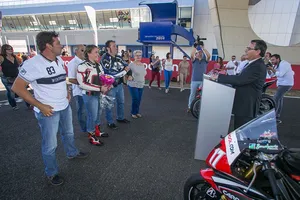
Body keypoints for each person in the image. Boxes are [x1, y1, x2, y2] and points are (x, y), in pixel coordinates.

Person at [12, 31, 88, 186]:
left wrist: (67, 92)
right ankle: (51, 172)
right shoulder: (33, 64)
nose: (61, 46)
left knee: (68, 133)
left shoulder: (59, 59)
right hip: (48, 111)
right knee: (50, 144)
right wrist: (40, 106)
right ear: (48, 46)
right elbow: (17, 88)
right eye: (58, 43)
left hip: (64, 106)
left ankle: (72, 152)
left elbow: (62, 79)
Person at [210, 39, 267, 129]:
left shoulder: (258, 66)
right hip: (242, 105)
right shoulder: (251, 64)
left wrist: (219, 77)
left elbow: (241, 79)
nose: (246, 50)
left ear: (257, 52)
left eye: (249, 48)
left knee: (242, 134)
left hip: (247, 107)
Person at [77, 45, 110, 146]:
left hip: (98, 94)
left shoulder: (98, 65)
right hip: (89, 95)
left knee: (98, 114)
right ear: (88, 53)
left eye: (98, 52)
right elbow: (81, 84)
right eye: (96, 52)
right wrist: (100, 88)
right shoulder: (82, 66)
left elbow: (102, 78)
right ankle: (91, 136)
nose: (98, 54)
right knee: (92, 116)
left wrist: (107, 84)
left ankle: (97, 131)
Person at [100, 40, 131, 130]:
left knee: (121, 102)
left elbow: (127, 66)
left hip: (119, 85)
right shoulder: (105, 58)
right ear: (108, 48)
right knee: (109, 104)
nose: (116, 48)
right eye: (114, 46)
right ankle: (110, 122)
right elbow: (110, 75)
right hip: (110, 86)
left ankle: (120, 118)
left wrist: (129, 74)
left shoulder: (118, 57)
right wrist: (124, 71)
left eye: (116, 46)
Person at [67, 45, 88, 135]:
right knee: (82, 111)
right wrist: (86, 83)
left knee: (89, 110)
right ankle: (85, 129)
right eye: (82, 50)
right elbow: (70, 79)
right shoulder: (73, 63)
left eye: (85, 50)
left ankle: (90, 127)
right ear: (76, 51)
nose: (84, 52)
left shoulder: (85, 62)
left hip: (88, 90)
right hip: (79, 92)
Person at [268, 54, 294, 123]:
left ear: (278, 59)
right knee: (279, 99)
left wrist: (272, 69)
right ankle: (276, 116)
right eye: (271, 60)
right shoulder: (276, 65)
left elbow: (280, 74)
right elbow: (271, 75)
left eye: (273, 60)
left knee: (275, 99)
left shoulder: (284, 64)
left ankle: (272, 116)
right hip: (282, 84)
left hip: (286, 84)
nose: (272, 61)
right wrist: (269, 69)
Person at [187, 43, 210, 112]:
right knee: (192, 94)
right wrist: (196, 47)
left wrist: (202, 48)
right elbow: (191, 55)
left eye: (201, 53)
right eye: (198, 53)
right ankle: (189, 107)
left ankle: (201, 108)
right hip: (194, 80)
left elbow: (208, 55)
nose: (199, 53)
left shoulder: (205, 61)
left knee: (202, 95)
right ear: (196, 55)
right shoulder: (194, 61)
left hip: (202, 81)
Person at [0, 44, 22, 110]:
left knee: (23, 90)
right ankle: (14, 105)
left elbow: (20, 64)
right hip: (6, 77)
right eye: (8, 49)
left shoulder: (15, 57)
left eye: (11, 49)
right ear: (4, 50)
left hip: (16, 76)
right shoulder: (1, 57)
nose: (10, 50)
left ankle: (29, 105)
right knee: (10, 91)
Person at [127, 50, 147, 118]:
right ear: (134, 56)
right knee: (135, 98)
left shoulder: (142, 64)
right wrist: (128, 76)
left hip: (141, 84)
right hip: (133, 84)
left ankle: (137, 112)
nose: (138, 57)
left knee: (139, 99)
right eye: (137, 55)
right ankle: (133, 112)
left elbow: (144, 73)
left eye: (140, 55)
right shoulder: (131, 64)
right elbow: (126, 71)